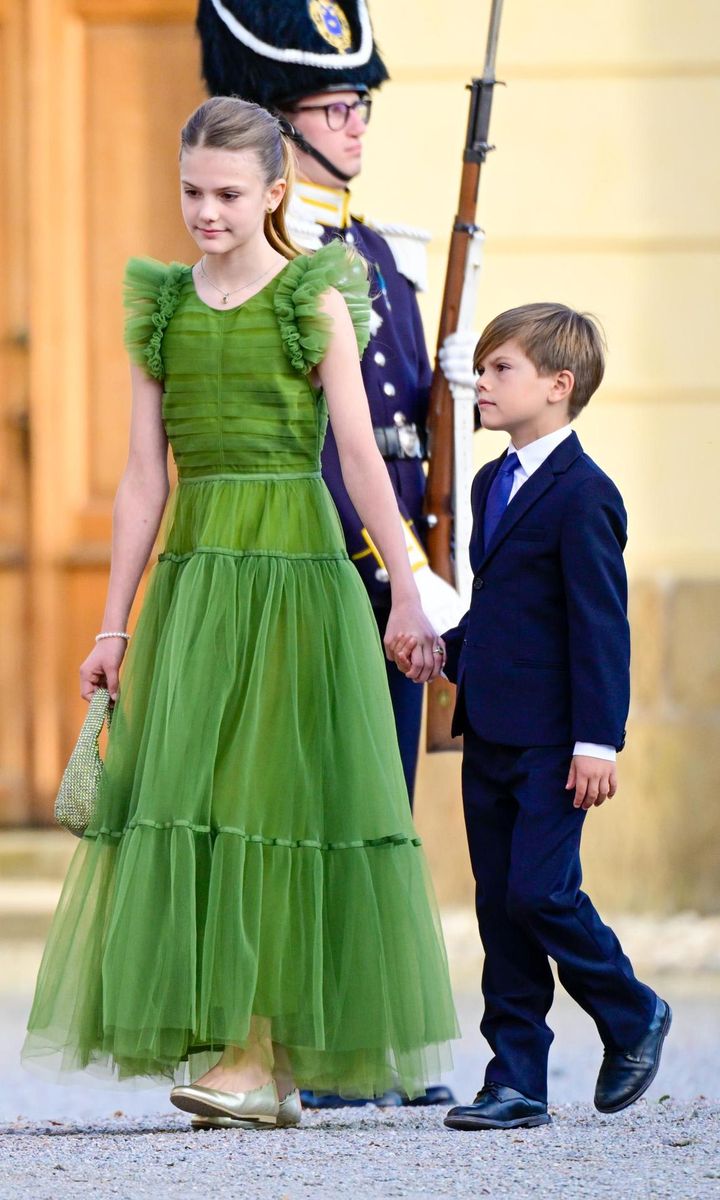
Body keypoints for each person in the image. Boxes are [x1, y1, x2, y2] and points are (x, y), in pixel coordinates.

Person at [22, 96, 458, 1130]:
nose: (205, 213)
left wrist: (404, 582)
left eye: (226, 194)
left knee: (275, 801)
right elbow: (140, 480)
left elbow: (357, 454)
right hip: (197, 580)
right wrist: (114, 625)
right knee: (202, 797)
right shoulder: (162, 308)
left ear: (273, 193)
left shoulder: (313, 298)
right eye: (190, 192)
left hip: (296, 572)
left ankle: (259, 1053)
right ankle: (248, 1053)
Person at [195, 0, 469, 1111]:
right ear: (281, 122)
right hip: (318, 563)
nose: (357, 123)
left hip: (392, 565)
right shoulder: (278, 261)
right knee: (304, 810)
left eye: (359, 105)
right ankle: (296, 1045)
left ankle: (363, 1044)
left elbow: (406, 433)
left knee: (379, 812)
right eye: (333, 106)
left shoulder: (381, 256)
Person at [390, 303, 671, 1130]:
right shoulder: (491, 481)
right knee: (498, 905)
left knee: (541, 892)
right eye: (482, 366)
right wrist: (448, 644)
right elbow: (509, 604)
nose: (482, 380)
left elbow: (599, 628)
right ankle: (515, 1078)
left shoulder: (587, 496)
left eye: (501, 368)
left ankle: (632, 1010)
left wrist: (598, 742)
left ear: (559, 386)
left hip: (557, 740)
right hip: (493, 730)